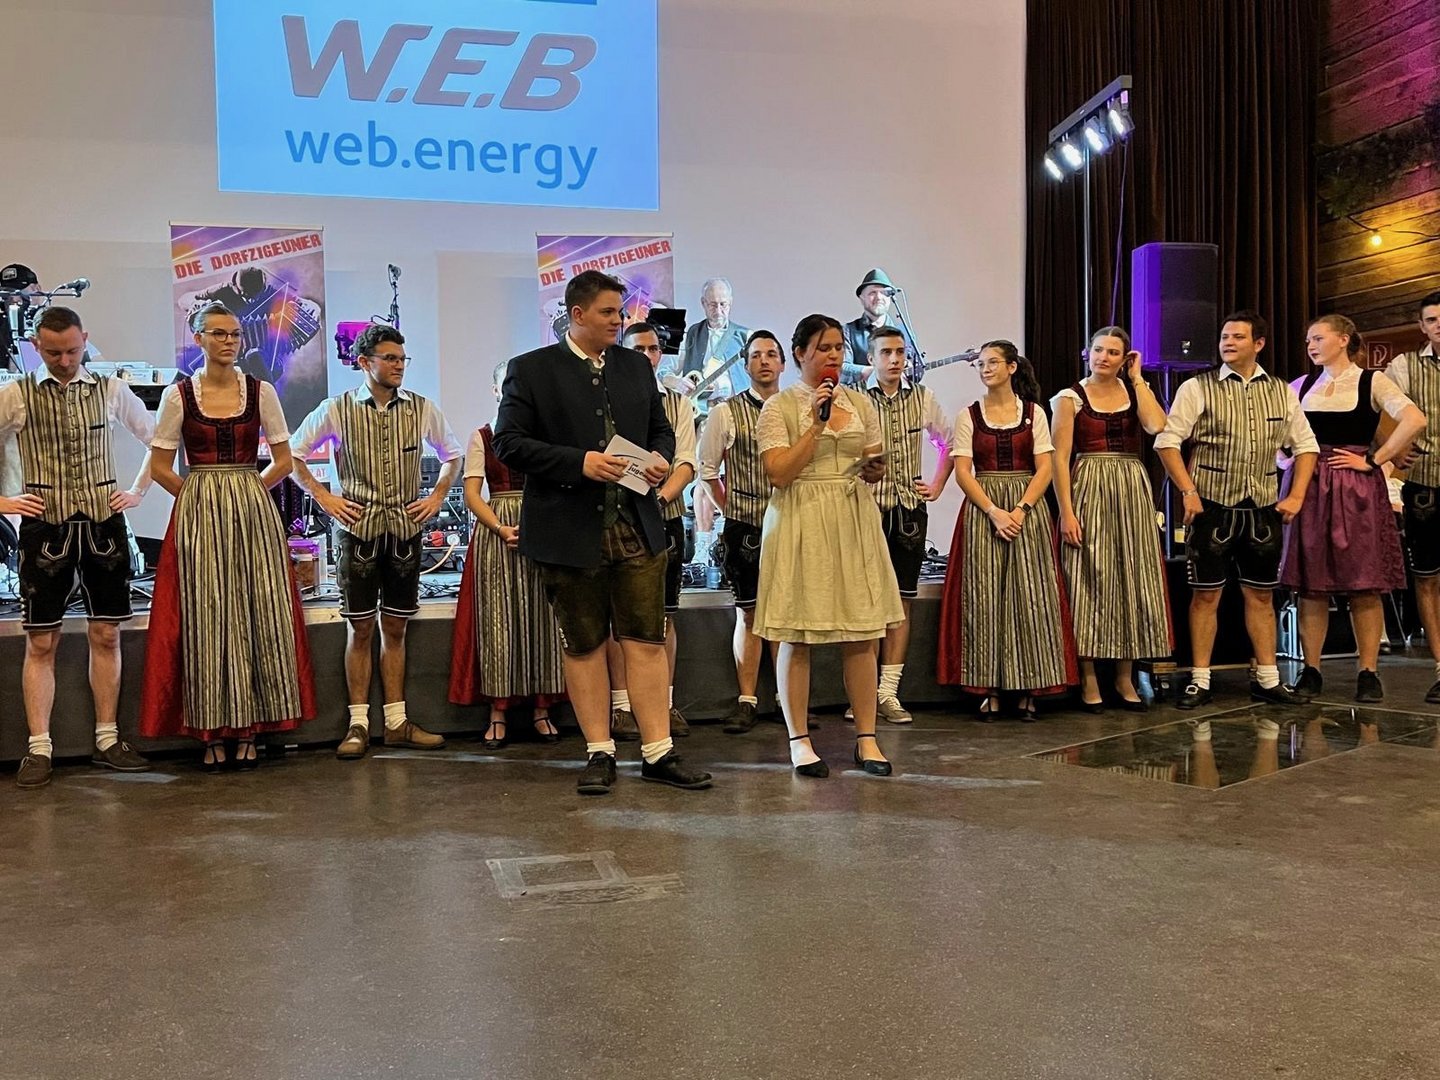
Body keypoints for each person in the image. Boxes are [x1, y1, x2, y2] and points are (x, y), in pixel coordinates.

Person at [493, 270, 712, 796]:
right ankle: (599, 751)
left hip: (638, 525)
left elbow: (660, 428)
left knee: (646, 639)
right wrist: (580, 462)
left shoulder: (634, 365)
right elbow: (508, 443)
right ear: (577, 314)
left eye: (621, 312)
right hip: (569, 531)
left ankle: (658, 751)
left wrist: (660, 457)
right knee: (585, 644)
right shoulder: (531, 369)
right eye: (609, 312)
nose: (620, 321)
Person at [139, 302, 316, 768]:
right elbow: (160, 467)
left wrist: (247, 491)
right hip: (200, 512)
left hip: (251, 511)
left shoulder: (261, 391)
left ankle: (251, 725)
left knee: (256, 609)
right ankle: (211, 729)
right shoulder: (179, 395)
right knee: (206, 614)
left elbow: (283, 460)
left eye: (235, 333)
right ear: (198, 338)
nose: (229, 341)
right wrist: (199, 496)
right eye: (218, 333)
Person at [290, 323, 462, 758]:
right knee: (361, 627)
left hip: (404, 530)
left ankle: (398, 722)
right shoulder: (336, 408)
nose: (399, 366)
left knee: (397, 627)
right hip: (358, 531)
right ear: (364, 362)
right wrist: (325, 497)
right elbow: (292, 455)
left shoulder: (421, 408)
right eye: (390, 358)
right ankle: (359, 724)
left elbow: (453, 455)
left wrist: (436, 496)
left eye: (402, 359)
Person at [0, 306, 153, 787]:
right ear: (36, 347)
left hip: (104, 527)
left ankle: (107, 738)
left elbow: (158, 439)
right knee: (41, 639)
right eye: (53, 353)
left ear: (85, 339)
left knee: (106, 634)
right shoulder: (16, 394)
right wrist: (4, 500)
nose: (65, 361)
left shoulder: (111, 389)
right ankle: (39, 747)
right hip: (44, 529)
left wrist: (137, 492)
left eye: (72, 351)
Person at [754, 313, 903, 777]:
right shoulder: (779, 407)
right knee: (796, 632)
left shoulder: (859, 402)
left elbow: (873, 458)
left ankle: (867, 738)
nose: (833, 355)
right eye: (823, 348)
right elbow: (779, 473)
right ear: (800, 354)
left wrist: (875, 468)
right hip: (800, 517)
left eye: (839, 347)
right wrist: (816, 427)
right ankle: (799, 740)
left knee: (862, 630)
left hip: (852, 516)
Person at [1155, 310, 1319, 708]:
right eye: (1225, 337)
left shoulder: (1280, 390)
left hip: (1262, 508)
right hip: (1211, 506)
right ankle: (1200, 679)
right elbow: (1167, 442)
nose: (1228, 343)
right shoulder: (1198, 387)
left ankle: (1268, 678)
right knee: (1205, 596)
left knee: (1261, 596)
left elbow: (1306, 446)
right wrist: (1188, 491)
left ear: (1258, 344)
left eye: (1237, 337)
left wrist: (1296, 495)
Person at [1280, 314, 1424, 702]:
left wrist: (1375, 459)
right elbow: (1278, 435)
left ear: (1343, 339)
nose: (1310, 345)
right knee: (1311, 586)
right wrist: (1285, 462)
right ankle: (1311, 669)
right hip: (1310, 486)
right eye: (1308, 340)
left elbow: (1414, 419)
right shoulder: (1300, 386)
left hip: (1357, 489)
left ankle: (1368, 671)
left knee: (1364, 583)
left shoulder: (1371, 381)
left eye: (1318, 338)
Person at [937, 340, 1077, 717]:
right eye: (981, 364)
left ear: (1012, 367)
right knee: (985, 598)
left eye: (993, 362)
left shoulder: (1033, 413)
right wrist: (994, 512)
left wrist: (1020, 509)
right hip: (984, 510)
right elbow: (963, 472)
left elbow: (1044, 468)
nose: (986, 369)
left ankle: (1031, 684)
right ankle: (990, 685)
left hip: (1026, 510)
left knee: (1031, 596)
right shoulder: (969, 415)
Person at [1051, 326, 1173, 711]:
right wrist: (1067, 512)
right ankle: (1089, 677)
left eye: (1114, 352)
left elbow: (1156, 425)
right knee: (1088, 576)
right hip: (1089, 484)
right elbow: (1059, 458)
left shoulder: (1133, 391)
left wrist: (1138, 379)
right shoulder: (1070, 397)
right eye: (1099, 350)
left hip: (1131, 485)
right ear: (1087, 353)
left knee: (1131, 577)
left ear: (1125, 359)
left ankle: (1124, 676)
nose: (1104, 357)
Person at [448, 360, 567, 746]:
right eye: (507, 385)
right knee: (498, 619)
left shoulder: (543, 435)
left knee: (542, 617)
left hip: (540, 526)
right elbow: (471, 494)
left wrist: (541, 524)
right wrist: (500, 528)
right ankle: (497, 711)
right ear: (496, 391)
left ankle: (541, 709)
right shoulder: (483, 436)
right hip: (496, 530)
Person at [605, 322, 698, 739]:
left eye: (654, 349)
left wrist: (657, 501)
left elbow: (686, 463)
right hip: (615, 517)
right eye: (638, 349)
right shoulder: (606, 396)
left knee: (664, 615)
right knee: (616, 618)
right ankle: (622, 707)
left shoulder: (678, 403)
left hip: (664, 516)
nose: (647, 356)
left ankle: (665, 703)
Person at [864, 326, 953, 722]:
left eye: (900, 352)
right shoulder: (856, 399)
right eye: (886, 352)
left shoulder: (922, 397)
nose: (895, 359)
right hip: (865, 511)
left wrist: (936, 484)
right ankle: (864, 694)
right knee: (866, 602)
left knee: (901, 599)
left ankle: (888, 693)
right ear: (872, 358)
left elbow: (950, 442)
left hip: (908, 512)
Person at [699, 330, 785, 734]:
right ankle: (747, 700)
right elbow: (707, 471)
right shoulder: (726, 412)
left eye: (771, 354)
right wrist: (731, 508)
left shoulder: (797, 409)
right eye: (756, 355)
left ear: (783, 363)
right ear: (746, 364)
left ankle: (787, 699)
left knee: (786, 614)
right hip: (745, 526)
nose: (764, 361)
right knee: (749, 613)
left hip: (791, 523)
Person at [1383, 291, 1440, 701]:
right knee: (1428, 577)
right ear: (1422, 327)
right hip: (1425, 484)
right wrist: (1393, 449)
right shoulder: (1404, 366)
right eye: (1432, 320)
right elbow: (1382, 410)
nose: (1439, 326)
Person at [667, 278, 752, 407]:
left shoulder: (746, 336)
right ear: (703, 303)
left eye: (723, 304)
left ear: (730, 302)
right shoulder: (690, 334)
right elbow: (664, 372)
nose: (718, 311)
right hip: (701, 412)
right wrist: (678, 383)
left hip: (738, 409)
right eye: (712, 305)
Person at [843, 269, 916, 387]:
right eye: (872, 293)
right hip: (860, 397)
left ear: (890, 298)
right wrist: (870, 372)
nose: (879, 297)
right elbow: (840, 368)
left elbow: (916, 371)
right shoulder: (847, 331)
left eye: (884, 293)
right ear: (862, 298)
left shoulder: (905, 332)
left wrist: (909, 367)